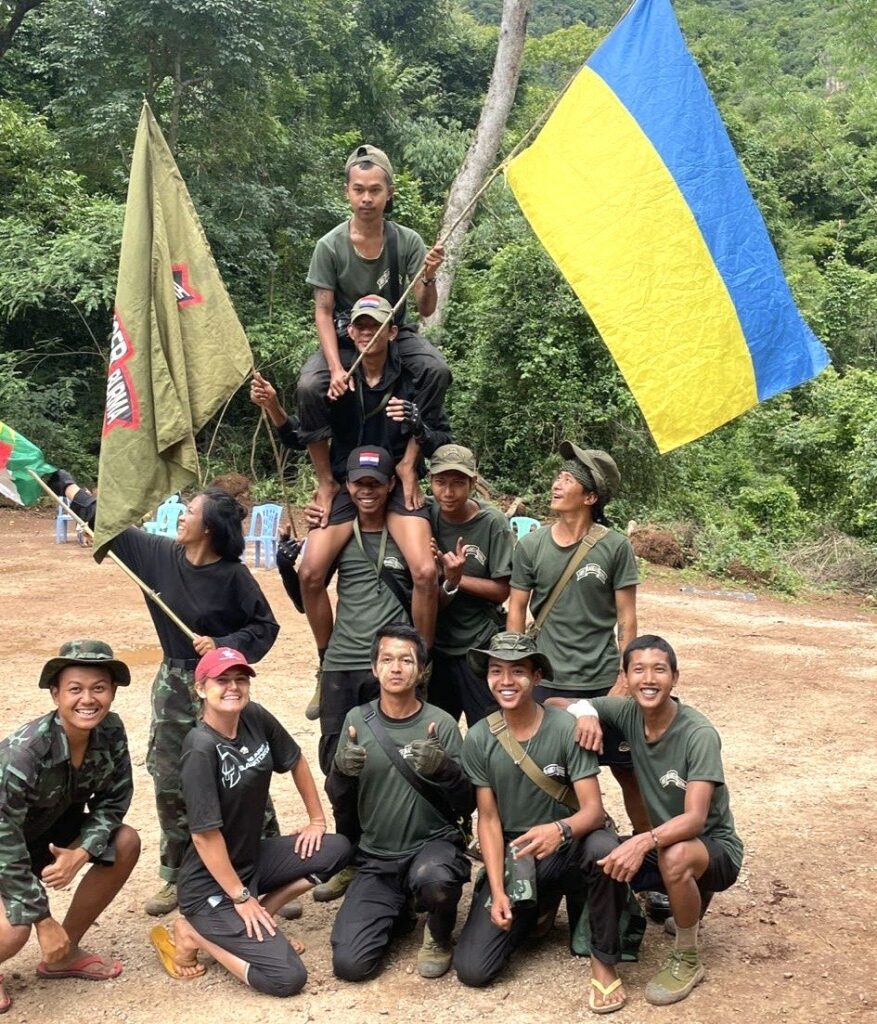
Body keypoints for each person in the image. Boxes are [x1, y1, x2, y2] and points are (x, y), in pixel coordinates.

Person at [46, 471, 280, 916]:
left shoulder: (234, 576)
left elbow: (265, 627)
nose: (181, 517)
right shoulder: (157, 555)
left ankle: (268, 867)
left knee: (241, 775)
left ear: (208, 528)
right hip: (174, 683)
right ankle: (177, 875)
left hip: (220, 685)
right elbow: (107, 522)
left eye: (190, 512)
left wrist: (226, 644)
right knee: (172, 780)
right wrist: (65, 483)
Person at [252, 294, 451, 653]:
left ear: (392, 333)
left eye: (375, 326)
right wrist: (274, 407)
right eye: (360, 325)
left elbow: (439, 435)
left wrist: (416, 425)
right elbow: (302, 437)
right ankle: (326, 660)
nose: (366, 333)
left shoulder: (412, 378)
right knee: (311, 574)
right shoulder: (337, 382)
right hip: (350, 486)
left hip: (394, 485)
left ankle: (422, 660)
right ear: (350, 332)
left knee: (424, 573)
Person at [150, 647, 351, 996]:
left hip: (251, 860)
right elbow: (204, 837)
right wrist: (240, 897)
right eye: (222, 680)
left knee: (337, 849)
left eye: (240, 679)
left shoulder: (254, 716)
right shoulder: (200, 748)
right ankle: (193, 932)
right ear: (201, 689)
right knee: (286, 978)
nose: (233, 687)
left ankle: (262, 913)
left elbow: (296, 760)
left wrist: (316, 819)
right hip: (210, 884)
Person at [453, 632, 628, 1014]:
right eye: (496, 671)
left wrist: (559, 829)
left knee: (603, 847)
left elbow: (593, 811)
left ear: (535, 676)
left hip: (570, 843)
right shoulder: (480, 737)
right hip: (520, 855)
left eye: (517, 671)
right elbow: (489, 820)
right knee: (473, 969)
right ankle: (538, 903)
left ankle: (604, 960)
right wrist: (498, 890)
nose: (505, 681)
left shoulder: (566, 728)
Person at [568, 635, 744, 1006]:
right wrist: (585, 712)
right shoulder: (628, 713)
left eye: (659, 669)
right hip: (669, 842)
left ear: (675, 678)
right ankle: (606, 955)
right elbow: (557, 703)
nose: (649, 678)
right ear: (626, 678)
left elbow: (695, 819)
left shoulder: (699, 734)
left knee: (675, 854)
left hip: (715, 851)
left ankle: (688, 957)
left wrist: (642, 840)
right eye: (639, 670)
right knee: (602, 851)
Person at [297, 144, 450, 520]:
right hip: (350, 333)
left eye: (375, 190)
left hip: (394, 330)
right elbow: (323, 310)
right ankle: (326, 480)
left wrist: (428, 276)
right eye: (359, 189)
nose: (367, 198)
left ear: (389, 194)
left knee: (436, 370)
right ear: (347, 191)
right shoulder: (329, 246)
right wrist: (335, 368)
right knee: (308, 386)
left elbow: (426, 309)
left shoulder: (407, 241)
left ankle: (408, 463)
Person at [506, 443, 647, 837]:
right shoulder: (532, 544)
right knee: (542, 771)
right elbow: (517, 609)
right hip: (546, 676)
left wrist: (624, 680)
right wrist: (518, 668)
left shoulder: (614, 546)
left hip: (601, 680)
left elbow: (627, 619)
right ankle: (554, 849)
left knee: (628, 771)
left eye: (568, 480)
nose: (556, 483)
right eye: (558, 476)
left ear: (590, 497)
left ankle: (648, 852)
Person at [0, 641, 141, 1013]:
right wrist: (43, 919)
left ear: (112, 692)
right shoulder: (24, 753)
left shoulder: (110, 730)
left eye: (99, 688)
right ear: (55, 694)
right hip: (5, 847)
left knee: (125, 841)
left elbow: (114, 802)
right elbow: (4, 841)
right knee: (13, 931)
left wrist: (81, 852)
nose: (88, 699)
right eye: (75, 689)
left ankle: (64, 953)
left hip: (44, 836)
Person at [327, 624, 473, 981]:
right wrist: (341, 771)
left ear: (421, 670)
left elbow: (467, 802)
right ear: (374, 668)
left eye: (406, 660)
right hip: (377, 855)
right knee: (350, 965)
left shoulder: (440, 723)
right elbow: (338, 798)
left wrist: (445, 770)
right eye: (387, 659)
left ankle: (438, 936)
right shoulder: (356, 720)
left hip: (431, 846)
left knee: (435, 881)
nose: (396, 668)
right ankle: (401, 909)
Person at [426, 444, 513, 725]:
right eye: (440, 483)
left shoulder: (492, 523)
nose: (448, 493)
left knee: (488, 732)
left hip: (477, 647)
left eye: (458, 484)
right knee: (436, 734)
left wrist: (456, 578)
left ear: (473, 483)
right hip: (436, 646)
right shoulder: (424, 515)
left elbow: (502, 590)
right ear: (429, 481)